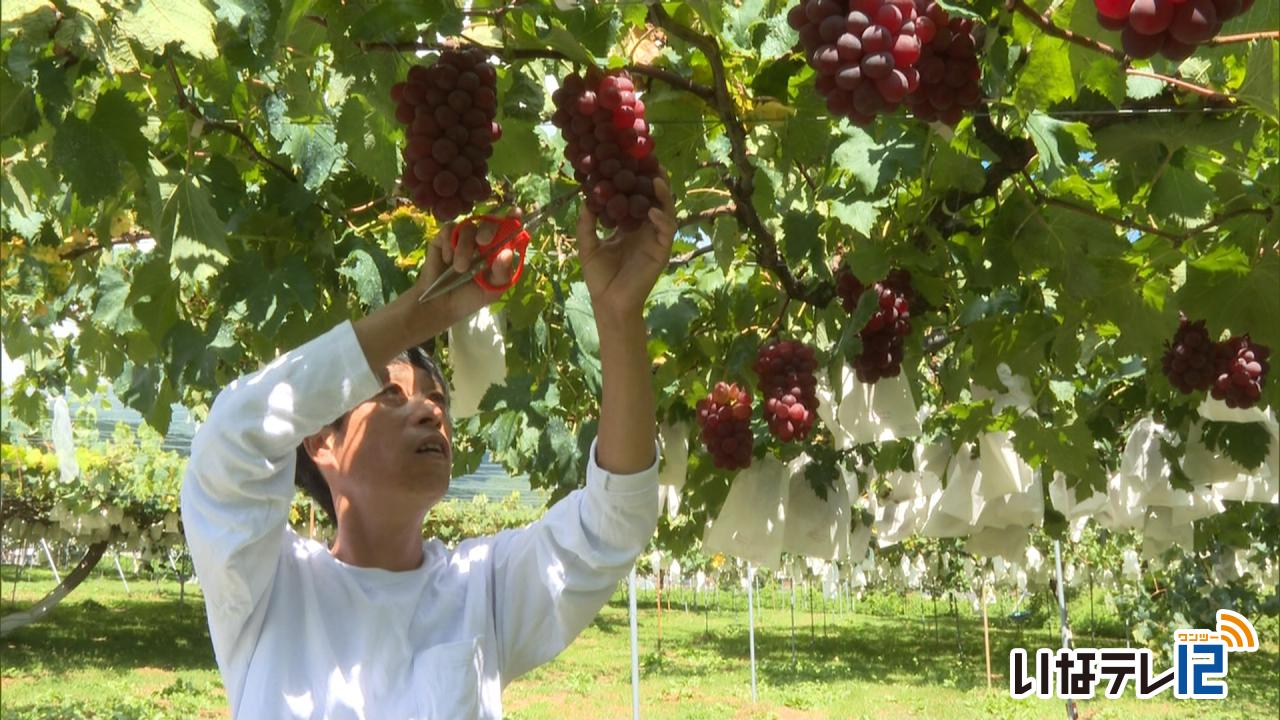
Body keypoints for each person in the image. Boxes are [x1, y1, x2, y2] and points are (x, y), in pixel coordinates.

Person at [180, 179, 677, 719]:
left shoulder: (479, 585)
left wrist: (619, 314)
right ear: (323, 441)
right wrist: (423, 312)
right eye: (393, 395)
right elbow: (234, 434)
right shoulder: (266, 587)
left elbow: (614, 522)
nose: (430, 410)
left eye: (438, 398)